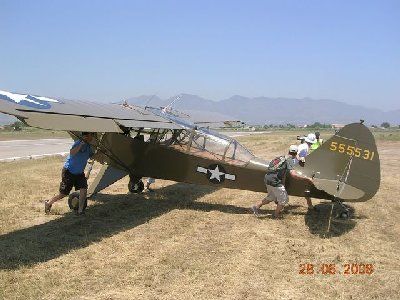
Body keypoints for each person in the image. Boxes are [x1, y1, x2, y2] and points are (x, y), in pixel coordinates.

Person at [250, 145, 313, 218]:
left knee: (271, 197)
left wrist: (298, 158)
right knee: (284, 200)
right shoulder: (289, 160)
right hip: (274, 181)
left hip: (267, 178)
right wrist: (307, 178)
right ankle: (275, 215)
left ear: (289, 151)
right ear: (296, 153)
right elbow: (293, 174)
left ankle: (256, 207)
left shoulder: (280, 158)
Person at [45, 132, 95, 215]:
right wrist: (80, 145)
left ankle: (80, 211)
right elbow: (72, 153)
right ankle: (49, 203)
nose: (93, 137)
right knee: (63, 194)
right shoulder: (78, 143)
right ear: (86, 136)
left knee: (84, 189)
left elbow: (92, 156)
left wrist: (102, 153)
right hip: (69, 172)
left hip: (79, 173)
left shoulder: (88, 146)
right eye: (92, 135)